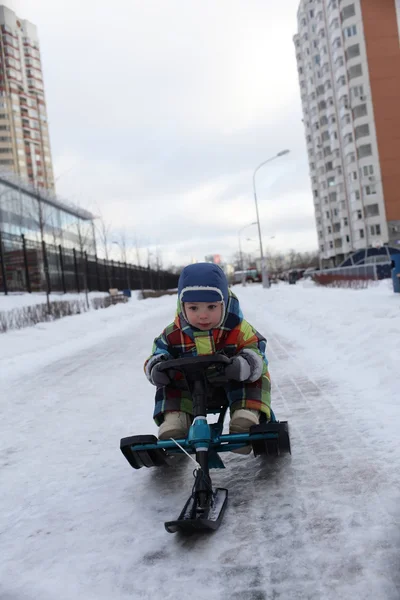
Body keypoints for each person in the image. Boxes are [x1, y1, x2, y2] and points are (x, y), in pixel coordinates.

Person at [144, 262, 271, 454]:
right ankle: (175, 421)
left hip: (231, 382)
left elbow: (257, 351)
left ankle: (246, 417)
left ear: (224, 302)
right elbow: (157, 353)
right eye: (194, 308)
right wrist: (156, 368)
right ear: (182, 305)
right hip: (190, 387)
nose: (203, 316)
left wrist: (245, 364)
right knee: (169, 385)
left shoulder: (238, 329)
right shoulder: (172, 334)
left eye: (211, 307)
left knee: (253, 379)